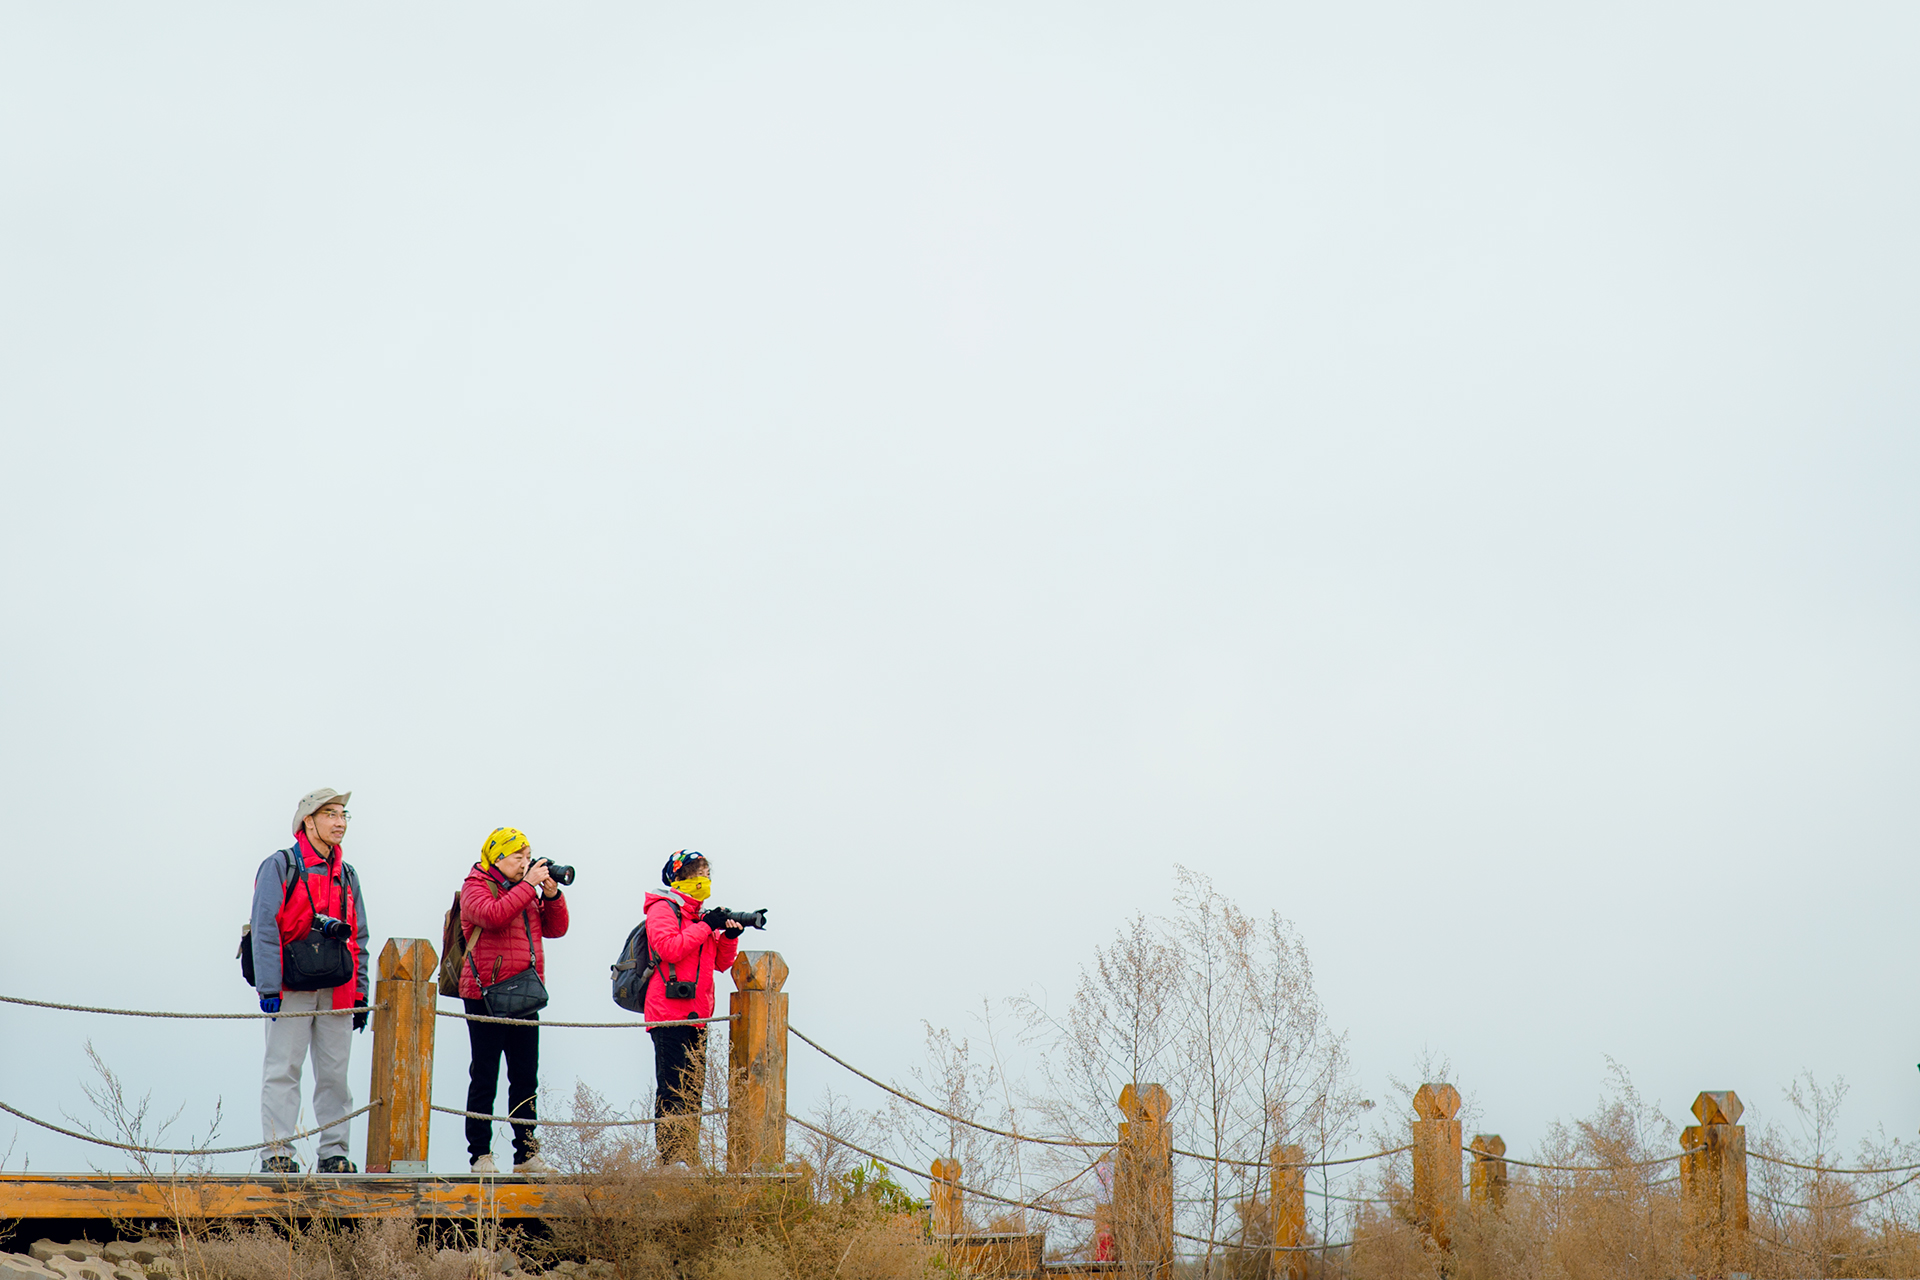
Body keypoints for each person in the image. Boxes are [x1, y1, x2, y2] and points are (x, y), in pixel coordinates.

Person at [251, 788, 371, 1175]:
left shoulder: (347, 874)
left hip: (338, 987)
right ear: (308, 821)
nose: (340, 822)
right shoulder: (280, 865)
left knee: (335, 1076)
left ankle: (334, 1153)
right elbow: (264, 929)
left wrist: (361, 992)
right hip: (290, 985)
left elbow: (359, 936)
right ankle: (277, 1153)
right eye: (330, 814)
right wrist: (269, 987)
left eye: (343, 815)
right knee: (283, 1069)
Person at [458, 827, 569, 1175]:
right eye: (518, 857)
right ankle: (480, 1155)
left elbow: (556, 929)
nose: (525, 863)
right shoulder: (475, 886)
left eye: (528, 857)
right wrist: (528, 886)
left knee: (524, 1077)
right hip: (485, 994)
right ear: (497, 857)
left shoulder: (525, 891)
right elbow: (492, 916)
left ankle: (526, 1154)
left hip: (524, 993)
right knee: (485, 1075)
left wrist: (551, 895)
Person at [643, 850, 746, 1168]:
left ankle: (688, 1156)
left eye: (707, 874)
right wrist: (705, 926)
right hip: (667, 1013)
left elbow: (720, 963)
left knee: (693, 1090)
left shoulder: (700, 916)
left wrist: (728, 936)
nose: (704, 880)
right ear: (678, 878)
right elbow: (668, 949)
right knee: (673, 1088)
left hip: (698, 1015)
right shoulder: (662, 908)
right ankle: (671, 1157)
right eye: (698, 874)